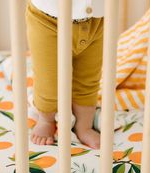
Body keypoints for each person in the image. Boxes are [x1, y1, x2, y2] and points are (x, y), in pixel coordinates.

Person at [26, 0, 104, 149]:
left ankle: (84, 126)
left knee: (88, 77)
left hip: (96, 21)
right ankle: (46, 120)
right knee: (49, 80)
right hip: (48, 20)